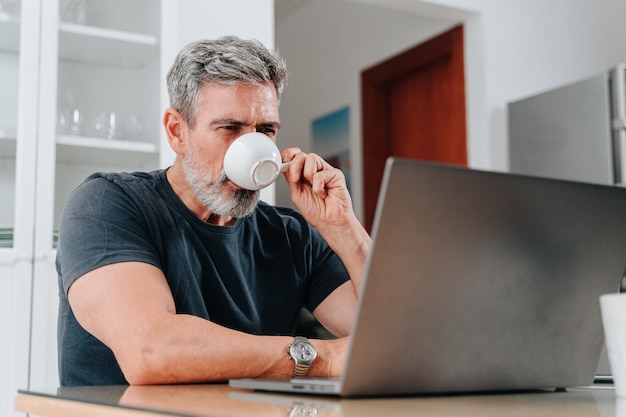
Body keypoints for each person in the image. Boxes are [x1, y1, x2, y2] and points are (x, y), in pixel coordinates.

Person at [56, 36, 371, 386]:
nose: (254, 149)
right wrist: (319, 358)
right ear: (178, 132)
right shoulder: (106, 204)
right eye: (229, 128)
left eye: (266, 130)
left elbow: (393, 341)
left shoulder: (289, 233)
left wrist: (344, 226)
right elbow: (151, 351)